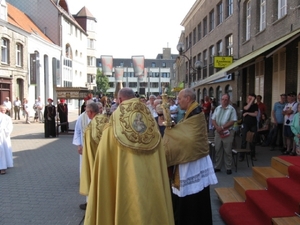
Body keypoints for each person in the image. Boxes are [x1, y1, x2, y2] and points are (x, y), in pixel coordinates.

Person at [84, 88, 174, 225]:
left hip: (125, 182)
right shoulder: (149, 118)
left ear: (120, 100)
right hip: (150, 182)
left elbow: (104, 156)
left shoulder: (115, 120)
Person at [163, 88, 218, 225]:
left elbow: (190, 137)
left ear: (188, 99)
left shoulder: (197, 112)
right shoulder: (191, 111)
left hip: (193, 161)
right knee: (194, 194)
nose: (178, 101)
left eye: (180, 98)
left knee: (193, 195)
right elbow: (185, 129)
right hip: (192, 158)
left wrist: (171, 133)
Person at [79, 102, 109, 209]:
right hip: (100, 156)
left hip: (95, 157)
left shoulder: (96, 123)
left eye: (87, 111)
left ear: (91, 112)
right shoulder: (104, 120)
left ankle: (95, 203)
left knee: (94, 179)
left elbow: (98, 139)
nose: (86, 114)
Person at [72, 99, 93, 210]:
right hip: (85, 148)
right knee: (86, 172)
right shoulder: (82, 117)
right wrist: (79, 145)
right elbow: (78, 131)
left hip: (97, 150)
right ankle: (87, 200)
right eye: (87, 106)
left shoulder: (100, 118)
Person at [212, 93, 237, 175]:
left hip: (227, 132)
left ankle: (228, 167)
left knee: (227, 150)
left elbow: (232, 121)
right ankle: (218, 166)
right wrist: (217, 127)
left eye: (226, 99)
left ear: (229, 100)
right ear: (220, 100)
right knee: (218, 149)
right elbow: (213, 119)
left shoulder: (232, 109)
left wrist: (222, 127)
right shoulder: (217, 108)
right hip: (218, 132)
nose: (224, 101)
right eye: (223, 99)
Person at [240, 93, 258, 161]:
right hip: (246, 124)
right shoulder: (245, 104)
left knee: (252, 140)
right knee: (244, 140)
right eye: (249, 98)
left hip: (253, 124)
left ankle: (252, 155)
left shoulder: (255, 106)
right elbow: (246, 108)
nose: (249, 99)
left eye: (251, 99)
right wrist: (250, 101)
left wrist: (247, 113)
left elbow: (255, 114)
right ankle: (242, 156)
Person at [0, 105, 13, 174]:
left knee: (3, 150)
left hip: (4, 136)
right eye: (1, 110)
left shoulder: (7, 118)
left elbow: (9, 126)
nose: (2, 111)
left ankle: (3, 167)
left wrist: (6, 132)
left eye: (4, 110)